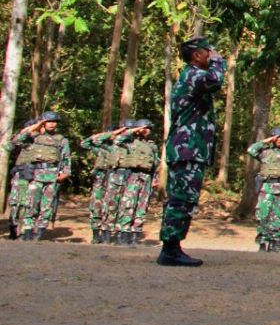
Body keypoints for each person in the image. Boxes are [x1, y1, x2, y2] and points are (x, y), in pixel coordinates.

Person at [158, 37, 226, 266]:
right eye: (209, 52)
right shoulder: (194, 74)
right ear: (197, 55)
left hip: (190, 148)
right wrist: (218, 62)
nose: (213, 55)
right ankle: (170, 249)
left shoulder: (192, 75)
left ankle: (172, 247)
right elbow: (215, 81)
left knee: (183, 199)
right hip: (186, 148)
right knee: (181, 198)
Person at [10, 112, 71, 241]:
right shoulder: (33, 137)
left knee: (46, 206)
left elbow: (66, 158)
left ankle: (39, 232)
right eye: (48, 121)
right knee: (30, 204)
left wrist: (65, 173)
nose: (52, 124)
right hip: (35, 175)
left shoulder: (61, 139)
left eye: (54, 122)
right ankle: (27, 230)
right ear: (43, 122)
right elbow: (16, 140)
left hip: (52, 175)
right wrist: (34, 127)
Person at [111, 118, 158, 246]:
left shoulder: (152, 145)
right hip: (133, 176)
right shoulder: (130, 142)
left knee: (141, 207)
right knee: (128, 205)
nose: (147, 130)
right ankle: (123, 233)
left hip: (146, 178)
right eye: (145, 128)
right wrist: (135, 129)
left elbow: (155, 163)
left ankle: (135, 235)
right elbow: (117, 139)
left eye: (149, 128)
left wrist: (155, 179)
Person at [249, 129, 280, 251]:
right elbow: (251, 150)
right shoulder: (265, 152)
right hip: (267, 187)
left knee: (279, 217)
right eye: (277, 137)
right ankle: (262, 242)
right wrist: (266, 141)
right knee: (263, 215)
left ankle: (276, 242)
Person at [81, 123, 125, 244]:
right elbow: (85, 143)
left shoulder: (120, 147)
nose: (113, 136)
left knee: (111, 206)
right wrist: (107, 134)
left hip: (114, 178)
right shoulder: (100, 147)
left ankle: (107, 233)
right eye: (111, 134)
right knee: (96, 205)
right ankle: (96, 233)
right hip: (100, 178)